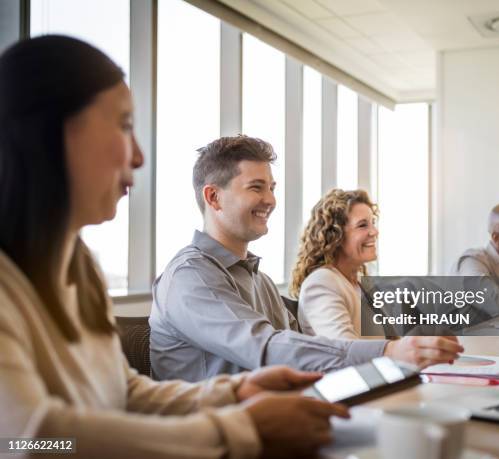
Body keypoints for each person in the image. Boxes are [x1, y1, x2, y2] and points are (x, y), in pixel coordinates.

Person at [0, 35, 350, 459]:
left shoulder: (78, 266)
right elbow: (28, 440)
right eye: (124, 126)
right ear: (52, 133)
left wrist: (234, 392)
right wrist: (235, 428)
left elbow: (120, 391)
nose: (139, 157)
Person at [149, 135, 463, 382]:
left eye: (271, 188)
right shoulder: (190, 276)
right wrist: (389, 352)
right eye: (256, 188)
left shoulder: (261, 281)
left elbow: (306, 353)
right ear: (213, 197)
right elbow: (267, 348)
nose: (270, 200)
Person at [289, 188, 383, 339]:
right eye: (362, 225)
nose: (375, 232)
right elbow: (346, 350)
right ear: (335, 236)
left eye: (372, 223)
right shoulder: (321, 283)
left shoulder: (362, 284)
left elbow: (392, 342)